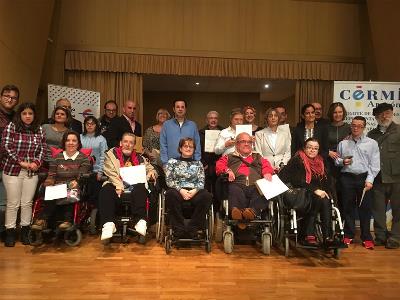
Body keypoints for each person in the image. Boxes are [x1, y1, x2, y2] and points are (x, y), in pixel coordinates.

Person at [1, 103, 46, 246]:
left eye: (30, 113)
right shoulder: (12, 127)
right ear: (20, 115)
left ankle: (25, 232)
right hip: (13, 170)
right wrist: (21, 162)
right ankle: (10, 233)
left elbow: (43, 148)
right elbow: (6, 146)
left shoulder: (38, 129)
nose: (27, 116)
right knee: (13, 203)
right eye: (24, 113)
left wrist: (37, 163)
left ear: (34, 115)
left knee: (27, 203)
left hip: (32, 171)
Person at [279, 138, 337, 247]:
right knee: (319, 199)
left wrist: (325, 191)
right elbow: (297, 180)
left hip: (318, 193)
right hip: (301, 193)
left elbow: (326, 180)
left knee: (325, 200)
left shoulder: (321, 161)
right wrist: (315, 190)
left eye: (315, 148)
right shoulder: (297, 160)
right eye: (309, 147)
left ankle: (327, 237)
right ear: (304, 148)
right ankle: (308, 234)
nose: (312, 150)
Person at [99, 133, 157, 241]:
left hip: (133, 186)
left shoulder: (140, 158)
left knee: (141, 188)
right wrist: (119, 185)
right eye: (125, 141)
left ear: (134, 145)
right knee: (105, 190)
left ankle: (141, 221)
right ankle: (108, 224)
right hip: (115, 183)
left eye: (131, 142)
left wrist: (151, 173)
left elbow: (150, 168)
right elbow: (109, 171)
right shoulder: (111, 154)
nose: (128, 144)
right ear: (121, 143)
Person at [31, 131, 91, 231]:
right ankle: (43, 220)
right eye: (68, 140)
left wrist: (76, 182)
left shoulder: (84, 158)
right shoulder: (57, 157)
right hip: (57, 185)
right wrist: (49, 182)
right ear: (64, 143)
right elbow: (52, 174)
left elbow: (81, 175)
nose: (71, 143)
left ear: (78, 143)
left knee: (70, 190)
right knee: (49, 190)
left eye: (74, 140)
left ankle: (66, 220)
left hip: (73, 185)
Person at [336, 116, 380, 250]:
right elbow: (336, 161)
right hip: (347, 177)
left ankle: (366, 237)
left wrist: (370, 180)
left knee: (365, 209)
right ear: (351, 126)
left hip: (363, 178)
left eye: (359, 126)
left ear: (364, 127)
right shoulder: (343, 143)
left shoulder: (372, 143)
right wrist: (342, 161)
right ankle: (348, 234)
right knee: (347, 207)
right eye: (353, 125)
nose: (356, 128)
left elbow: (375, 164)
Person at [216, 132, 274, 229]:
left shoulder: (258, 157)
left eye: (249, 142)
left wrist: (267, 172)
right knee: (233, 189)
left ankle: (251, 212)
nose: (247, 144)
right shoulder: (229, 157)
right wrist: (227, 170)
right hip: (237, 184)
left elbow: (267, 166)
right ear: (237, 144)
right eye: (243, 141)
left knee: (266, 191)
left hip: (256, 185)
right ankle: (238, 213)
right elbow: (219, 165)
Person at [164, 138, 212, 239]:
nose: (188, 148)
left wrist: (194, 191)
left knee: (207, 196)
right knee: (169, 194)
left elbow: (201, 182)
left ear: (194, 149)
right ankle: (179, 228)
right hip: (177, 190)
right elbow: (169, 180)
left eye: (191, 146)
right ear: (180, 148)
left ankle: (193, 228)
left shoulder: (198, 164)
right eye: (185, 146)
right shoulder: (172, 162)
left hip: (194, 191)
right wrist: (181, 190)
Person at [368, 103, 400, 249]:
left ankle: (395, 236)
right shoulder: (371, 135)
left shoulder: (399, 130)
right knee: (378, 209)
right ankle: (380, 235)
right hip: (378, 177)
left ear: (392, 113)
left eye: (387, 112)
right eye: (380, 114)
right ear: (376, 117)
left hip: (397, 177)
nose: (384, 116)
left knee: (398, 209)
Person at [0, 85, 20, 238]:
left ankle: (4, 232)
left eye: (13, 97)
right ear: (1, 97)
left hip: (8, 165)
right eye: (7, 96)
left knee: (4, 203)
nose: (10, 99)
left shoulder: (17, 118)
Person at [160, 100, 201, 166]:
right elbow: (163, 146)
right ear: (174, 109)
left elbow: (197, 145)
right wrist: (165, 163)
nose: (180, 109)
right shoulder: (166, 125)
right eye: (178, 107)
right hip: (171, 164)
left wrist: (197, 162)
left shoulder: (192, 125)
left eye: (182, 107)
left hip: (190, 164)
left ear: (185, 109)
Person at [326, 102, 351, 212]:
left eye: (340, 112)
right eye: (335, 112)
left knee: (344, 194)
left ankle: (343, 222)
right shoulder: (325, 127)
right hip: (329, 164)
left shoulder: (349, 128)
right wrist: (328, 152)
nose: (337, 114)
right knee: (331, 193)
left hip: (344, 165)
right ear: (331, 113)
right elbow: (318, 144)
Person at [80, 116, 108, 206]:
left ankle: (92, 215)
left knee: (94, 196)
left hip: (96, 172)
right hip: (81, 171)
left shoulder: (101, 139)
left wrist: (100, 172)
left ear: (96, 125)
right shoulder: (79, 137)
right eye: (87, 124)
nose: (89, 126)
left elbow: (104, 156)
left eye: (92, 124)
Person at [199, 111, 224, 194]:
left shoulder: (223, 132)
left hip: (219, 164)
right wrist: (203, 163)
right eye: (211, 118)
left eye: (215, 118)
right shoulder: (200, 133)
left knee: (218, 189)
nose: (213, 120)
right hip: (206, 165)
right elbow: (198, 149)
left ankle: (217, 207)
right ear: (207, 120)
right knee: (205, 189)